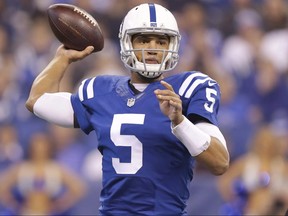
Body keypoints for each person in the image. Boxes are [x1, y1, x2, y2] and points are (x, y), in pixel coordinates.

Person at [25, 3, 229, 215]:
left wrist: (180, 122)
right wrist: (62, 58)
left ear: (172, 46)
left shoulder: (189, 88)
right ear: (126, 42)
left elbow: (220, 162)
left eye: (161, 41)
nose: (152, 48)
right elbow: (37, 100)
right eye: (143, 40)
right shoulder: (100, 90)